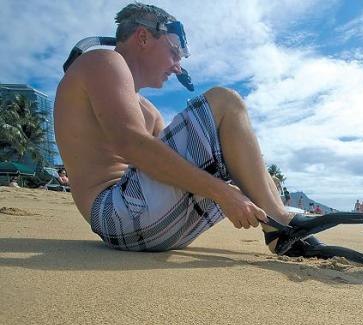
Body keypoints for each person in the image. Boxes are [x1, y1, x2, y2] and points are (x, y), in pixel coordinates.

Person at [54, 3, 293, 252]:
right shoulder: (102, 60)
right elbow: (130, 144)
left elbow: (171, 167)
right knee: (226, 102)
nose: (178, 66)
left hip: (151, 224)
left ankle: (281, 224)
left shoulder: (149, 112)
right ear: (143, 37)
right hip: (113, 213)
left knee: (259, 174)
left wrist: (252, 183)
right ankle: (283, 228)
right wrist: (225, 193)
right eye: (174, 51)